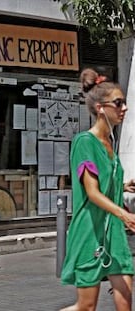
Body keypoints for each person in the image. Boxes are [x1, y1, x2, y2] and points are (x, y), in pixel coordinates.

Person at [60, 68, 135, 311]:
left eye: (124, 102)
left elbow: (102, 182)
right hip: (89, 231)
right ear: (101, 107)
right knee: (86, 307)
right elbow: (91, 192)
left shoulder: (109, 144)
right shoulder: (85, 142)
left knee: (125, 299)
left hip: (114, 233)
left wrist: (124, 186)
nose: (124, 108)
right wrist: (124, 214)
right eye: (118, 103)